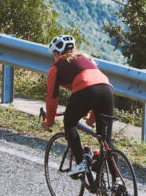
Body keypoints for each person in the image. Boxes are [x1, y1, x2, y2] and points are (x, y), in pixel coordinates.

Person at [41, 34, 114, 176]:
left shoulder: (57, 66)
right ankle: (117, 183)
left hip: (87, 91)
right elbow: (96, 86)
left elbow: (52, 97)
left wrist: (49, 121)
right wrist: (92, 118)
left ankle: (81, 163)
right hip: (107, 90)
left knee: (69, 122)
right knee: (106, 140)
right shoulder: (87, 59)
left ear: (57, 54)